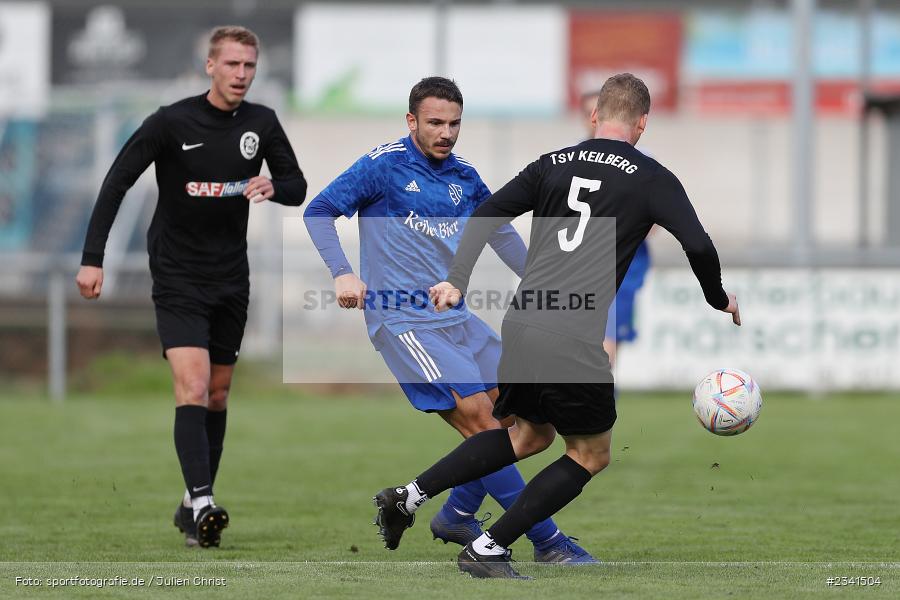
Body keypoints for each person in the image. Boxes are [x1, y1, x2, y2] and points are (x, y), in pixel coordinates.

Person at [374, 73, 741, 578]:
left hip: (523, 323)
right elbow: (698, 246)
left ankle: (407, 497)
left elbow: (485, 212)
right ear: (643, 123)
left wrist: (457, 279)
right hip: (572, 333)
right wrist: (718, 298)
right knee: (590, 453)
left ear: (595, 117)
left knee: (528, 437)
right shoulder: (653, 177)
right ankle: (487, 548)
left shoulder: (551, 163)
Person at [303, 76, 596, 563]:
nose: (446, 132)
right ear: (411, 120)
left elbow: (497, 231)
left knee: (523, 416)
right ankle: (548, 542)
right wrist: (342, 274)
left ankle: (457, 513)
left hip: (456, 318)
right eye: (435, 122)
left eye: (454, 123)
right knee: (483, 426)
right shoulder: (383, 167)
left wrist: (539, 283)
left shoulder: (463, 175)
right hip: (403, 321)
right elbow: (320, 210)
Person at [75, 26, 307, 548]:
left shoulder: (262, 123)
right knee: (194, 386)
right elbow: (116, 183)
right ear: (210, 66)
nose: (241, 75)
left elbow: (297, 185)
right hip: (178, 276)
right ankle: (204, 502)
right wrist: (93, 259)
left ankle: (190, 503)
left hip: (232, 277)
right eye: (232, 65)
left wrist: (275, 185)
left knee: (219, 395)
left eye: (249, 66)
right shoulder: (170, 121)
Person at [582, 91, 652, 366]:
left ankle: (600, 402)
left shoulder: (644, 162)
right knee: (599, 349)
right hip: (583, 268)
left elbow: (653, 220)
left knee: (609, 350)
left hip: (624, 268)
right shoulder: (572, 157)